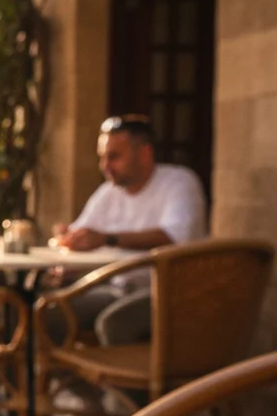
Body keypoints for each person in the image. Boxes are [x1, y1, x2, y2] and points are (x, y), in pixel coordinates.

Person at [50, 114, 207, 344]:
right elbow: (78, 234)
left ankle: (120, 371)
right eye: (102, 157)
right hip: (114, 289)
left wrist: (107, 239)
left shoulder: (179, 182)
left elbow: (174, 236)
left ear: (144, 154)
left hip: (168, 295)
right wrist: (67, 238)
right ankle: (57, 366)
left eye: (114, 157)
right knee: (47, 308)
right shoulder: (108, 192)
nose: (105, 166)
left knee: (114, 322)